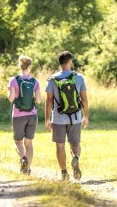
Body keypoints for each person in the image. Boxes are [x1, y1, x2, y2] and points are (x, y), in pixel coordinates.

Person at [45, 51, 88, 181]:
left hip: (58, 118)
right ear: (69, 62)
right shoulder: (79, 77)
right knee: (75, 143)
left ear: (60, 63)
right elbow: (84, 98)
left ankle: (64, 173)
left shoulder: (52, 79)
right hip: (75, 117)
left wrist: (47, 119)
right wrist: (85, 116)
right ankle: (75, 158)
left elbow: (49, 101)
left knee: (60, 146)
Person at [7, 55, 41, 174]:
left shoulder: (13, 80)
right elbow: (38, 100)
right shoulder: (35, 81)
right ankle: (28, 169)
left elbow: (11, 99)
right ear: (30, 67)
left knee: (18, 142)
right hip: (32, 115)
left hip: (18, 115)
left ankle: (23, 158)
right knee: (29, 143)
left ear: (19, 66)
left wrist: (10, 93)